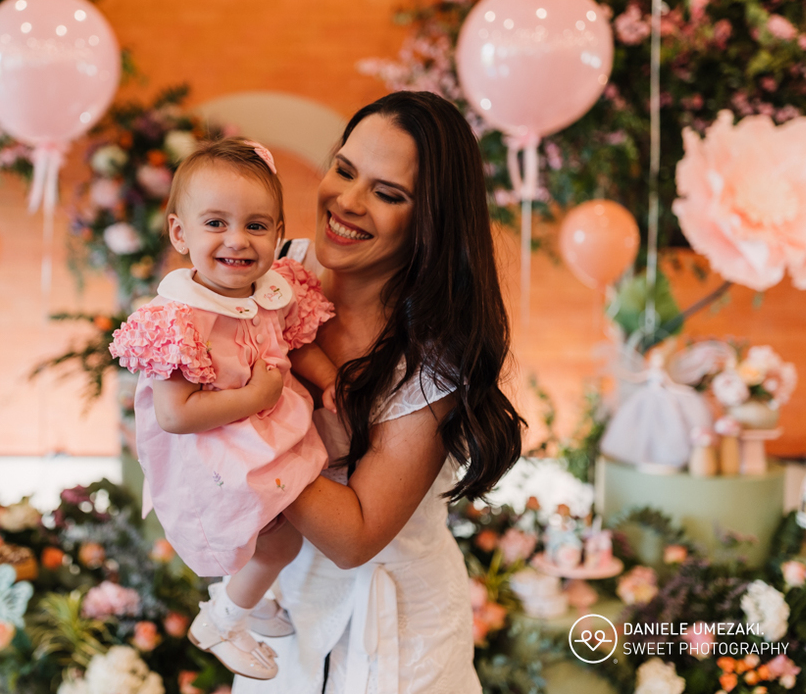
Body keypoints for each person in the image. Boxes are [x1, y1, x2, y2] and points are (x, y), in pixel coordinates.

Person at [234, 91, 525, 694]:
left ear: (430, 222)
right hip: (283, 616)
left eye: (388, 194)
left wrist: (237, 432)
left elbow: (354, 536)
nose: (347, 201)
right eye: (344, 170)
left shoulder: (433, 357)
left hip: (398, 642)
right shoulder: (274, 273)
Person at [110, 137, 339, 680]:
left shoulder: (271, 292)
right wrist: (255, 397)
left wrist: (333, 380)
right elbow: (174, 415)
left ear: (279, 234)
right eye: (216, 223)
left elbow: (295, 343)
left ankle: (248, 602)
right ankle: (221, 620)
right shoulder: (178, 319)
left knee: (268, 537)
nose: (237, 240)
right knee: (280, 542)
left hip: (264, 436)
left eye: (256, 226)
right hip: (213, 452)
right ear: (179, 233)